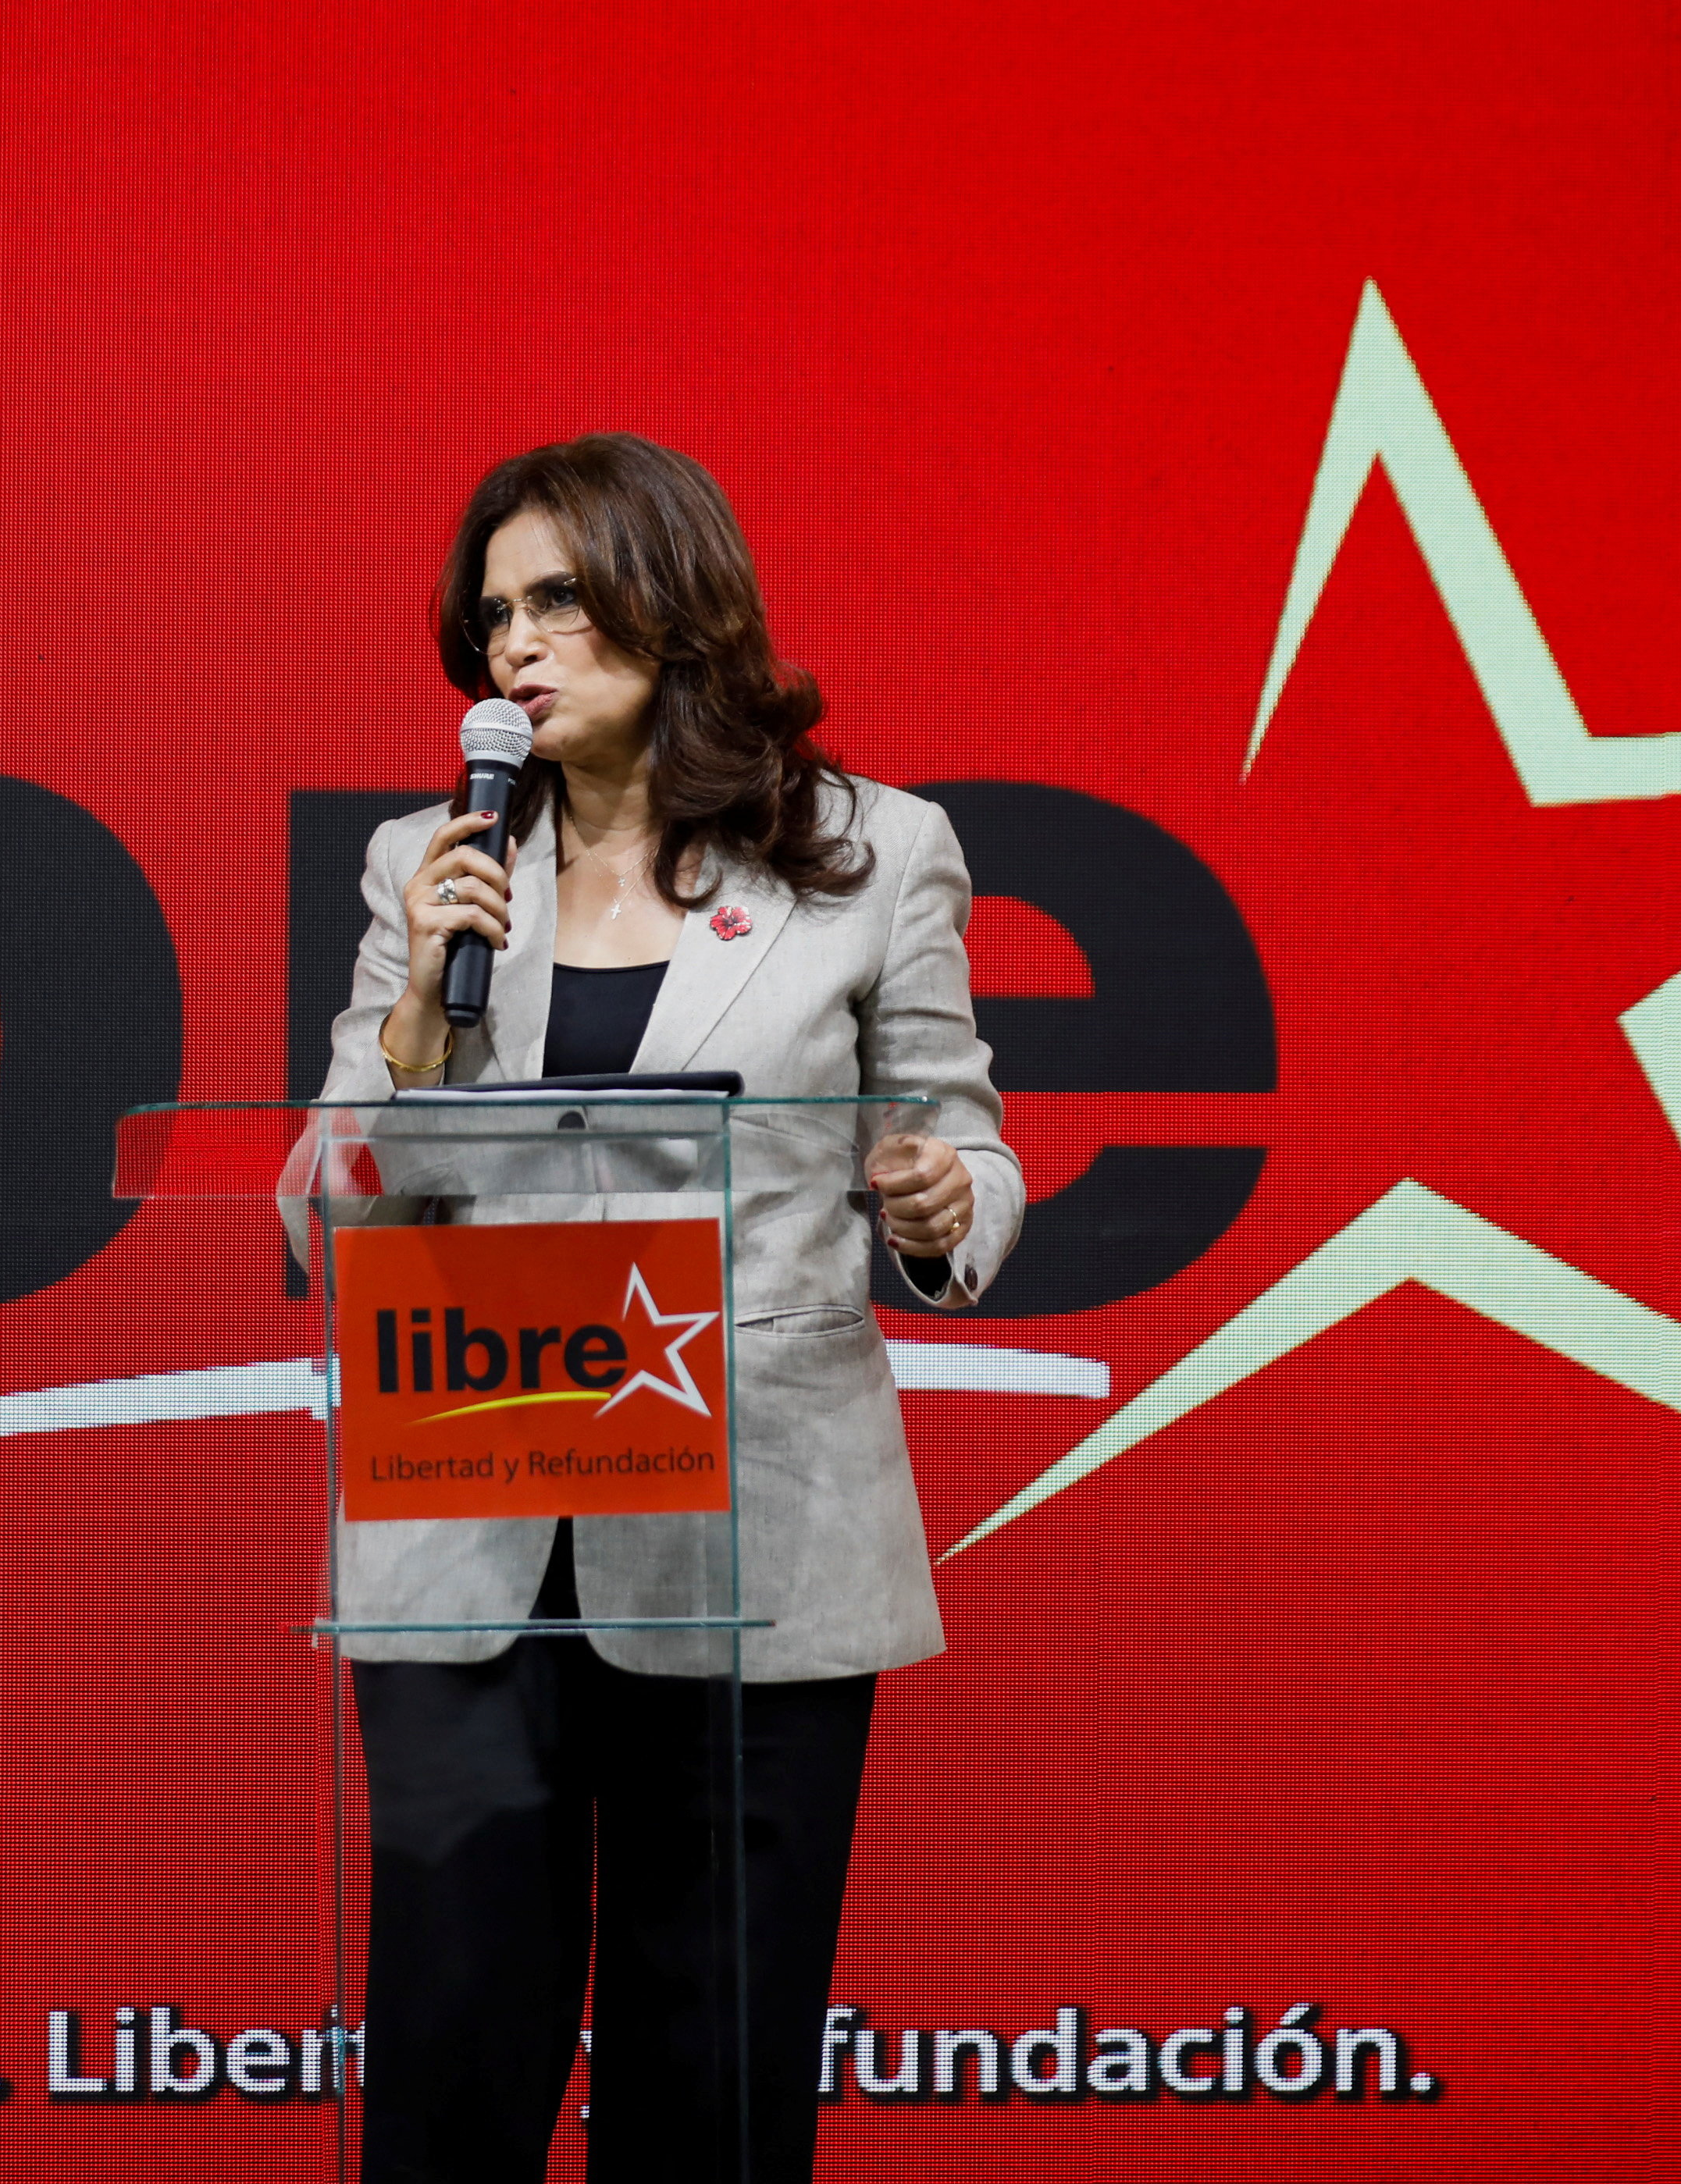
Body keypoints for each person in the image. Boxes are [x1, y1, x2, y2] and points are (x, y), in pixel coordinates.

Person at [301, 433, 1020, 2183]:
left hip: (751, 1534)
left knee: (715, 2075)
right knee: (452, 2079)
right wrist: (409, 1040)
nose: (513, 652)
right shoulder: (430, 864)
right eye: (490, 620)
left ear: (668, 596)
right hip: (466, 1525)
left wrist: (937, 1202)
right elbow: (327, 1201)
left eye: (554, 598)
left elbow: (965, 1140)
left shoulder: (871, 851)